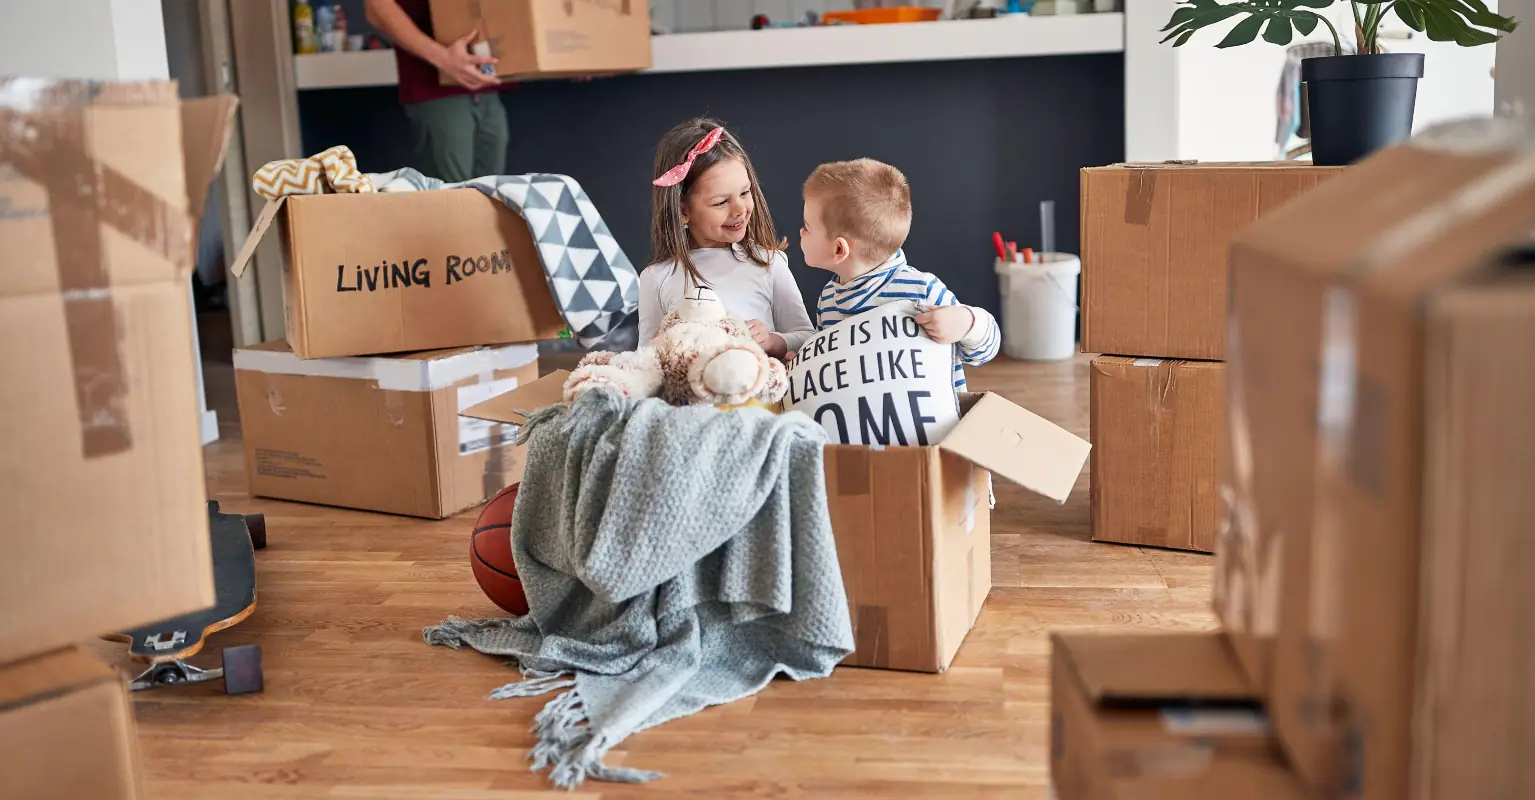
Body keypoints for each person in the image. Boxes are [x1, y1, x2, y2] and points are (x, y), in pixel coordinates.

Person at [801, 158, 1000, 393]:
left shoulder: (921, 291)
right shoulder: (829, 300)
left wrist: (967, 323)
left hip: (932, 427)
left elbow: (986, 349)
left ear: (838, 250)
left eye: (807, 227)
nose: (801, 232)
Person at [638, 118, 816, 358]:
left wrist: (774, 341)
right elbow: (646, 359)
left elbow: (807, 336)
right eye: (721, 202)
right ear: (682, 211)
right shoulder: (656, 277)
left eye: (745, 192)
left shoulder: (769, 264)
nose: (740, 209)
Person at [364, 0, 509, 182]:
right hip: (436, 89)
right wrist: (443, 58)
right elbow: (376, 7)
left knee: (493, 197)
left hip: (486, 86)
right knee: (450, 201)